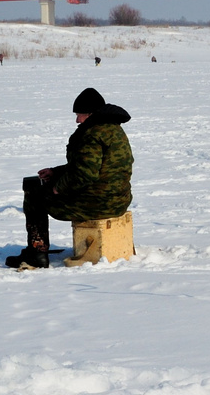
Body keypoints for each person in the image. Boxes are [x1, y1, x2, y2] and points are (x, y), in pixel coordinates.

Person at [8, 87, 133, 269]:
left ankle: (37, 253)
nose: (77, 120)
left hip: (98, 203)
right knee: (41, 188)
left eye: (79, 115)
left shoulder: (91, 134)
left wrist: (59, 187)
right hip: (118, 200)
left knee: (34, 196)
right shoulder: (113, 130)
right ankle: (37, 250)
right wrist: (56, 172)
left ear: (91, 114)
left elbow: (85, 173)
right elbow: (91, 165)